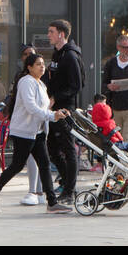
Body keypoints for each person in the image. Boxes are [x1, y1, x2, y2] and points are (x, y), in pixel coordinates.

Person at [0, 53, 71, 214]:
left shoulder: (41, 84)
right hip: (24, 132)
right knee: (17, 165)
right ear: (29, 67)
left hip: (37, 132)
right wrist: (52, 116)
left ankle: (51, 202)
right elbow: (31, 107)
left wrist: (55, 113)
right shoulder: (26, 82)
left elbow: (43, 108)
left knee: (44, 164)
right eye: (38, 64)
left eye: (43, 64)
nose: (42, 66)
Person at [43, 19, 84, 203]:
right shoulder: (57, 54)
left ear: (61, 34)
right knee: (51, 147)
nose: (48, 35)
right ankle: (66, 182)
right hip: (53, 108)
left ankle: (69, 189)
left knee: (68, 148)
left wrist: (56, 98)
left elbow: (76, 85)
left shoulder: (70, 56)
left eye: (51, 32)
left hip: (65, 109)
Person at [5, 45, 46, 205]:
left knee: (41, 161)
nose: (41, 66)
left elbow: (41, 102)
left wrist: (49, 113)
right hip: (25, 125)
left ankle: (40, 192)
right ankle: (36, 191)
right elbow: (22, 102)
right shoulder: (22, 78)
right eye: (25, 55)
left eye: (32, 54)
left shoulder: (41, 80)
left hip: (39, 124)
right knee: (24, 161)